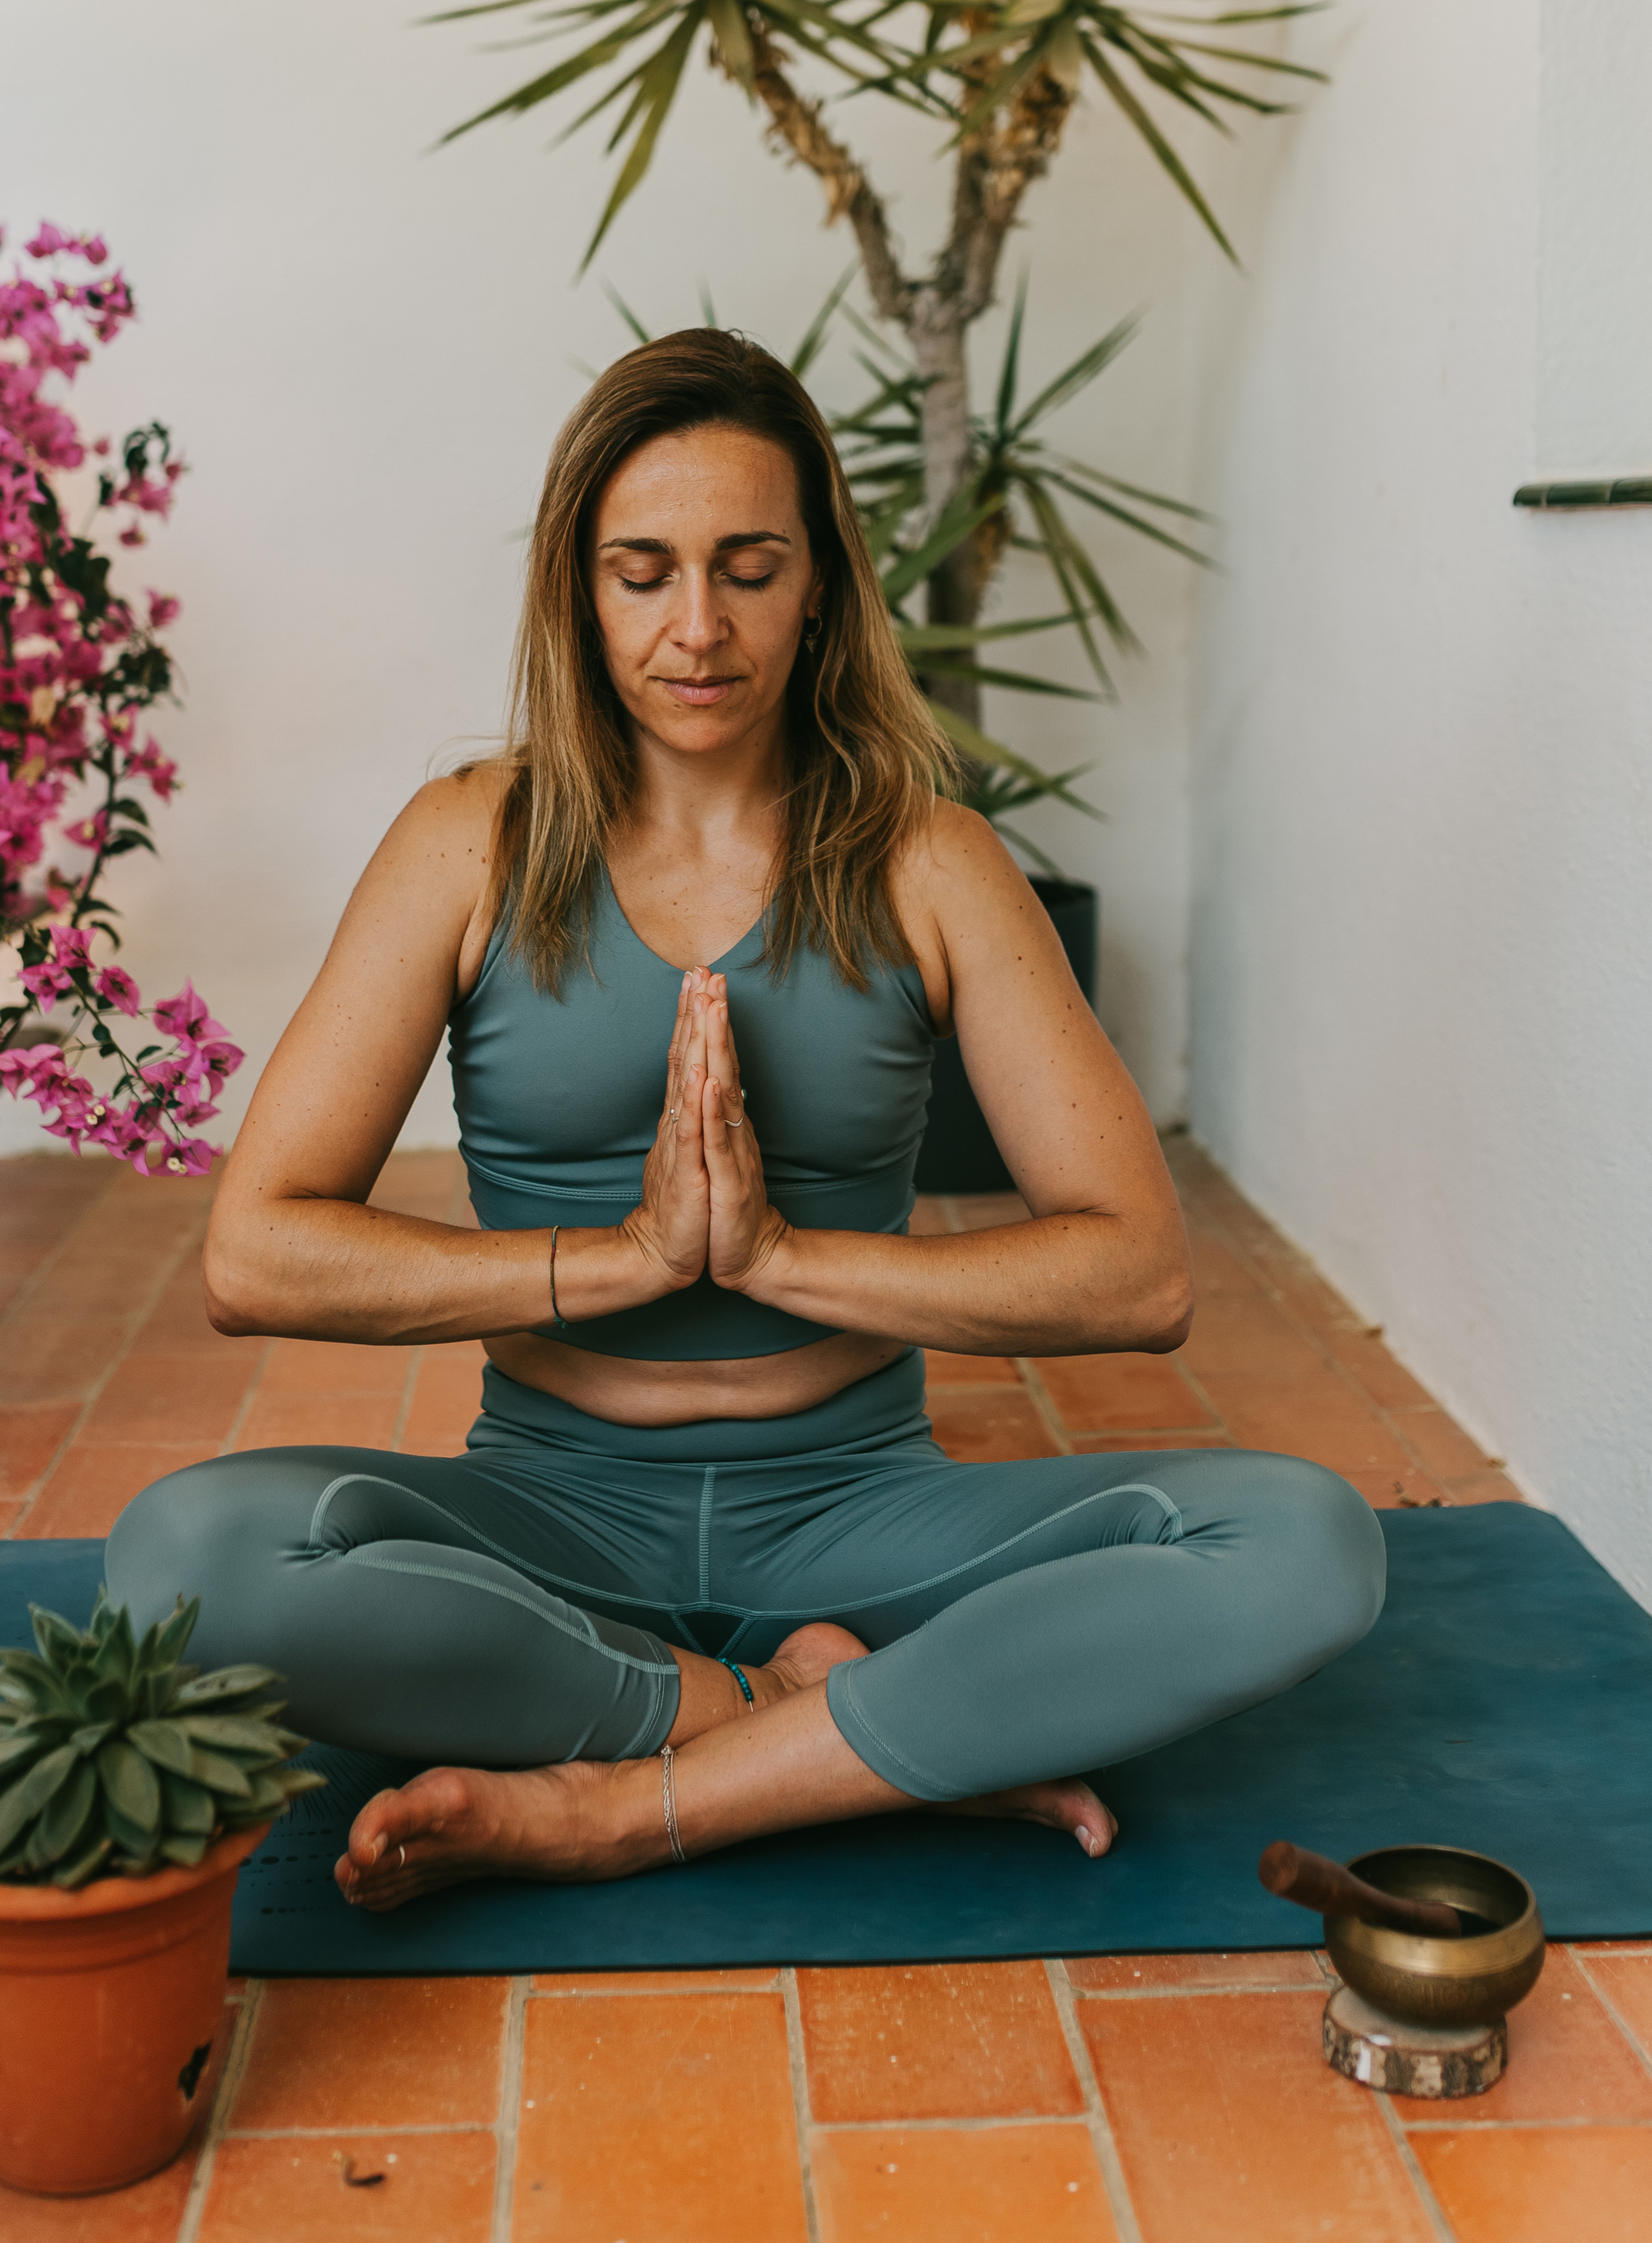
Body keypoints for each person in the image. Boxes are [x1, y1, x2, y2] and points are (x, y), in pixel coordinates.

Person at [108, 329, 1383, 1906]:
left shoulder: (931, 862)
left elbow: (1135, 1277)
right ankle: (805, 1727)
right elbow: (256, 1257)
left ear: (819, 585)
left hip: (864, 1512)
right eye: (641, 573)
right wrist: (627, 1260)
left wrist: (770, 1255)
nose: (695, 629)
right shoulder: (467, 846)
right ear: (579, 592)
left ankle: (623, 1805)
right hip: (543, 1509)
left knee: (1308, 1541)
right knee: (185, 1555)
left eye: (747, 568)